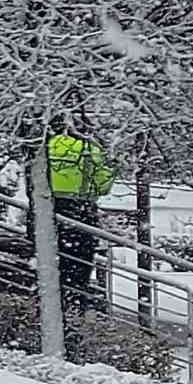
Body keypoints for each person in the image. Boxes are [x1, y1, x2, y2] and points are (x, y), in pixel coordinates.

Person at [46, 121, 113, 311]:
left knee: (52, 264)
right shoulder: (89, 150)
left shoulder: (46, 146)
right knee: (79, 267)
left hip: (49, 209)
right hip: (80, 212)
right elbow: (103, 186)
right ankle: (74, 306)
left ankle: (54, 304)